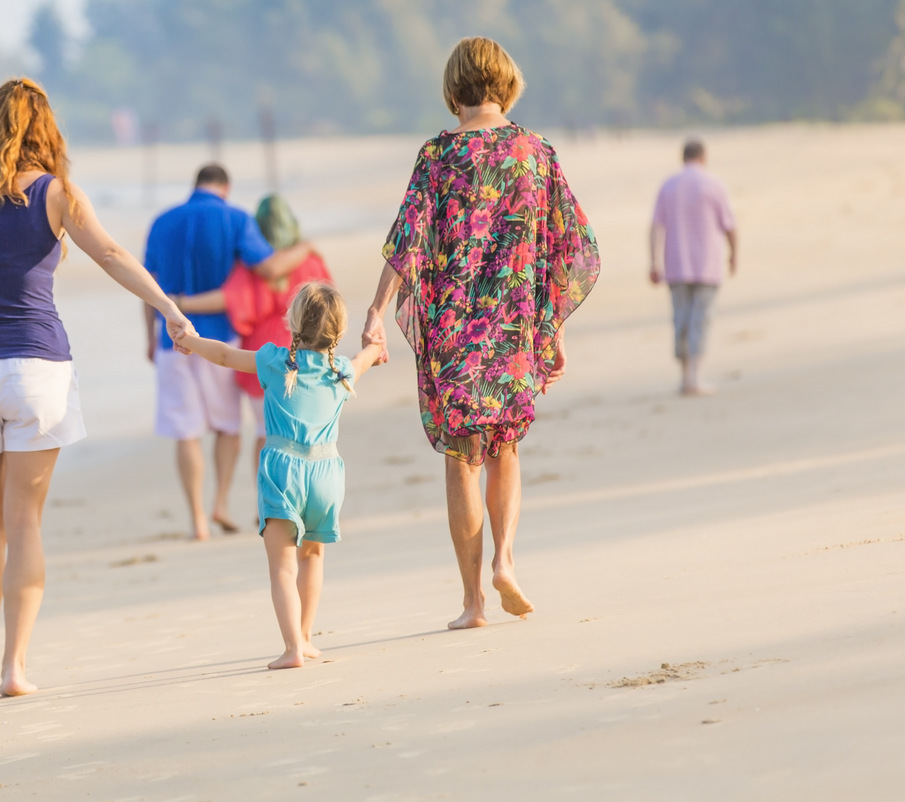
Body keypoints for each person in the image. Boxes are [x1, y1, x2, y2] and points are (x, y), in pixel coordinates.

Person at [0, 78, 193, 697]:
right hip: (37, 373)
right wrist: (168, 307)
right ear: (47, 127)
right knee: (25, 524)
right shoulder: (59, 195)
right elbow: (108, 254)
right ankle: (16, 670)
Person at [362, 37, 601, 630]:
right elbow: (567, 247)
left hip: (454, 327)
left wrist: (375, 310)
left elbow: (406, 239)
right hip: (515, 324)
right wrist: (553, 330)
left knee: (462, 458)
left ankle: (473, 603)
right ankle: (506, 560)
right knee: (507, 448)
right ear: (507, 82)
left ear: (454, 87)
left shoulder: (437, 155)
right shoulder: (534, 151)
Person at [175, 282, 384, 669]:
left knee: (282, 568)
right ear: (337, 331)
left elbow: (222, 355)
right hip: (326, 474)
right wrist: (375, 345)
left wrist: (191, 341)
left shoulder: (275, 362)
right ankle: (305, 638)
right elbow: (365, 359)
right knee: (313, 557)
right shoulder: (340, 371)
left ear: (292, 322)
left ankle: (291, 649)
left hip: (283, 472)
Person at [144, 166, 314, 540]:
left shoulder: (161, 221)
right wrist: (304, 247)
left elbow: (148, 285)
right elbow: (269, 268)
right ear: (226, 187)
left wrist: (149, 338)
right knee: (228, 427)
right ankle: (220, 499)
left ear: (196, 185)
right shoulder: (236, 218)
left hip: (171, 339)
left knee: (186, 433)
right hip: (219, 341)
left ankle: (197, 520)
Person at [172, 195, 333, 509]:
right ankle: (298, 496)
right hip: (304, 353)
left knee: (264, 432)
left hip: (260, 352)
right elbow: (328, 307)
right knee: (301, 431)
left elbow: (230, 299)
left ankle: (266, 500)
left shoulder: (252, 268)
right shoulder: (311, 262)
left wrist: (179, 304)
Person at [650, 138, 738, 396]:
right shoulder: (714, 184)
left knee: (682, 319)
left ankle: (685, 376)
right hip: (708, 264)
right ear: (703, 157)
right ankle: (695, 378)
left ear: (683, 157)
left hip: (676, 264)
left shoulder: (668, 185)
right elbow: (730, 226)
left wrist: (654, 262)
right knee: (702, 319)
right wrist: (734, 256)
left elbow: (656, 226)